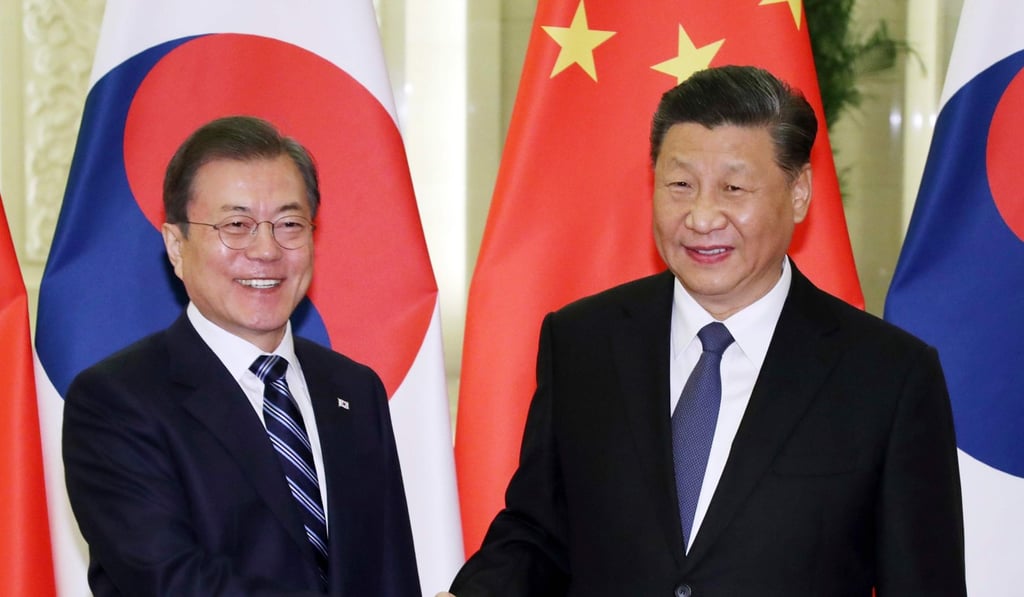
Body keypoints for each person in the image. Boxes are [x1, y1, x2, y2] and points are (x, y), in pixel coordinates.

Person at [442, 66, 966, 596]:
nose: (701, 216)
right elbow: (538, 536)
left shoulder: (888, 377)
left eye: (733, 188)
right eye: (680, 185)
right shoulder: (583, 343)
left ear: (799, 192)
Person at [63, 115, 419, 596]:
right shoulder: (116, 401)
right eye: (236, 225)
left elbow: (391, 570)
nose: (267, 250)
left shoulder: (354, 389)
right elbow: (172, 583)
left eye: (289, 224)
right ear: (176, 245)